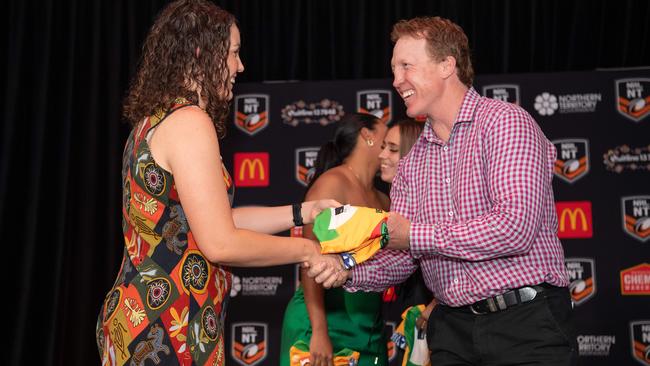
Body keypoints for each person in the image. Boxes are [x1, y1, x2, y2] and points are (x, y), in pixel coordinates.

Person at [311, 16, 577, 366]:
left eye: (406, 66)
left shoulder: (505, 123)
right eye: (393, 70)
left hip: (525, 325)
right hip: (451, 330)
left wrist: (413, 235)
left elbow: (514, 228)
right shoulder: (412, 163)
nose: (396, 81)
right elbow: (401, 256)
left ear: (446, 65)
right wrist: (346, 268)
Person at [95, 1, 340, 364]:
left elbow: (218, 221)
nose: (239, 66)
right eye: (234, 53)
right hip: (165, 325)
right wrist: (308, 251)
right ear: (200, 52)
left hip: (145, 314)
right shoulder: (190, 121)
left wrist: (304, 211)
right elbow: (221, 243)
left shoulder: (154, 121)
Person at [280, 113, 390, 366]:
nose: (391, 146)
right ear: (367, 136)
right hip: (323, 322)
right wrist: (319, 331)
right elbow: (310, 261)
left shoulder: (385, 200)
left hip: (368, 326)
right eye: (386, 137)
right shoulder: (332, 184)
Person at [379, 119, 436, 366]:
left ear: (412, 153)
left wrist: (437, 304)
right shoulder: (392, 202)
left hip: (439, 322)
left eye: (392, 149)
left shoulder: (433, 204)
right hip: (417, 320)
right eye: (383, 147)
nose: (381, 155)